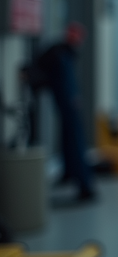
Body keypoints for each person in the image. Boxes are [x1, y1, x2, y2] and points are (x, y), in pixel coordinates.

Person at [22, 22, 96, 201]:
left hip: (66, 103)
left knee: (69, 137)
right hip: (68, 104)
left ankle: (70, 174)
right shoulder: (60, 54)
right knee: (75, 140)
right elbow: (65, 83)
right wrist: (73, 99)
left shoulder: (61, 52)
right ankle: (84, 186)